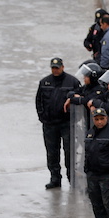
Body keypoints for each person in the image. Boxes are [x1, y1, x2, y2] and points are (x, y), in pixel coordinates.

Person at [36, 57, 80, 189]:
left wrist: (74, 120)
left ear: (63, 67)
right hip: (49, 124)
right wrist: (42, 116)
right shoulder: (45, 82)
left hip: (66, 124)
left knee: (69, 152)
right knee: (52, 152)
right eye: (53, 68)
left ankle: (72, 178)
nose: (55, 70)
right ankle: (55, 178)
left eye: (57, 67)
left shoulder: (72, 82)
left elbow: (79, 100)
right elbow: (39, 101)